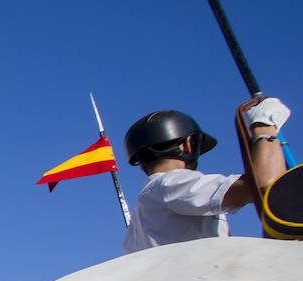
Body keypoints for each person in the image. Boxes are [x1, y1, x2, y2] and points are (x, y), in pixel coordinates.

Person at [123, 98, 290, 254]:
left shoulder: (134, 231)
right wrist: (264, 125)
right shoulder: (169, 184)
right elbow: (268, 186)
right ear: (188, 144)